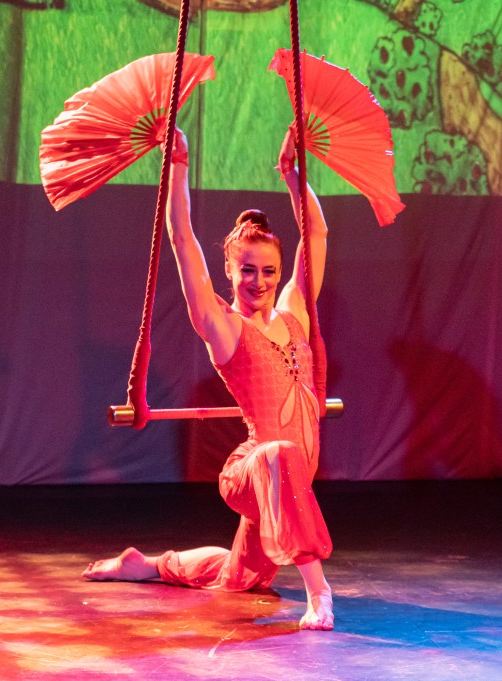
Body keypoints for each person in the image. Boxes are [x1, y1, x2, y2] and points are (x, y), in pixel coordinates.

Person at [83, 126, 334, 631]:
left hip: (288, 485)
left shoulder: (296, 315)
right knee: (279, 453)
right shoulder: (224, 327)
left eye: (268, 271)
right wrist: (177, 166)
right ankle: (320, 594)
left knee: (241, 577)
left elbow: (318, 235)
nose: (259, 281)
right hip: (252, 471)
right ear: (229, 270)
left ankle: (148, 564)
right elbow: (182, 240)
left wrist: (292, 173)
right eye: (247, 270)